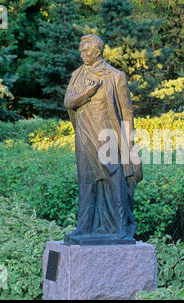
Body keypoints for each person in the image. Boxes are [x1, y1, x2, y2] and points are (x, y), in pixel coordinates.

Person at [63, 34, 142, 245]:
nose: (82, 54)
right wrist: (86, 94)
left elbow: (127, 112)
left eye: (86, 50)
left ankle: (121, 228)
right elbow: (69, 102)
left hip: (107, 136)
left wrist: (130, 143)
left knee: (114, 180)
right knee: (86, 182)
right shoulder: (78, 75)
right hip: (84, 135)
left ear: (98, 51)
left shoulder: (115, 76)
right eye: (81, 50)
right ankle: (84, 228)